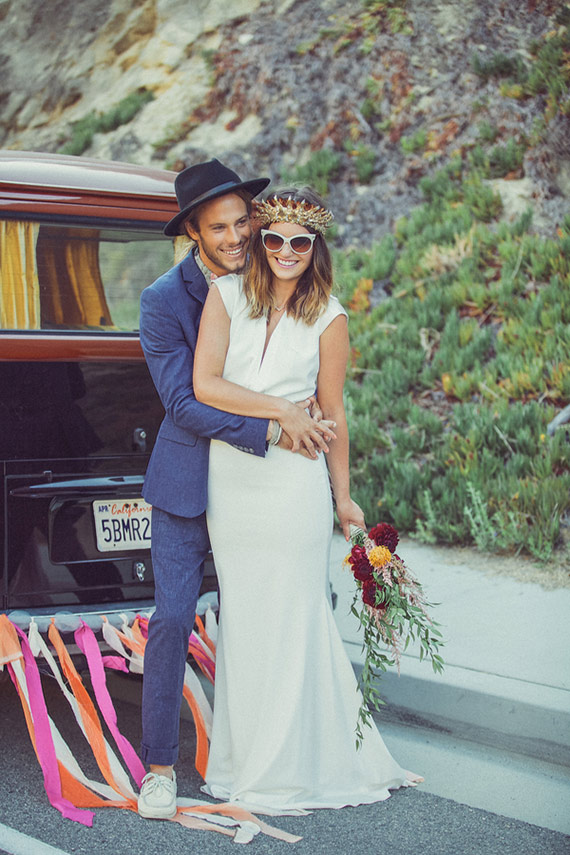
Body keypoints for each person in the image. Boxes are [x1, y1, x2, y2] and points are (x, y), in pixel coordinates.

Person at [193, 187, 422, 810]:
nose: (286, 251)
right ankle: (245, 761)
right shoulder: (226, 295)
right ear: (261, 242)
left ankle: (294, 765)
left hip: (296, 483)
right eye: (275, 239)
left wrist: (343, 497)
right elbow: (205, 385)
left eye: (300, 241)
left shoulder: (330, 316)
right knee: (246, 618)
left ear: (315, 246)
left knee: (295, 615)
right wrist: (283, 410)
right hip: (232, 481)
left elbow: (335, 412)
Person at [137, 160, 335, 820]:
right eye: (218, 227)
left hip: (263, 491)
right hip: (189, 485)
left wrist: (308, 404)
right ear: (192, 232)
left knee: (266, 614)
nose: (235, 236)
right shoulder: (163, 300)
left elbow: (304, 350)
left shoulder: (273, 270)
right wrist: (275, 423)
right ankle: (158, 769)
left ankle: (276, 755)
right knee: (173, 617)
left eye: (242, 221)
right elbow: (184, 402)